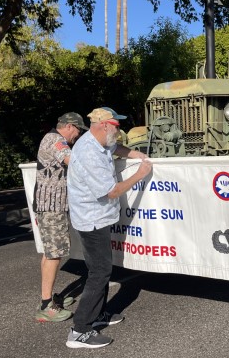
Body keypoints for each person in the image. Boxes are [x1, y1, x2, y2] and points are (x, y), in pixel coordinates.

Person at [65, 107, 153, 349]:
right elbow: (111, 191)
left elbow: (116, 148)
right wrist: (141, 173)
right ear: (104, 125)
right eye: (116, 126)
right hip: (92, 220)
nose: (119, 130)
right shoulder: (89, 153)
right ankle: (79, 330)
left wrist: (135, 154)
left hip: (98, 217)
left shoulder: (99, 142)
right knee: (100, 272)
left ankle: (98, 315)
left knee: (99, 269)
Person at [34, 112, 88, 322]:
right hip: (51, 207)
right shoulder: (55, 140)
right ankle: (46, 305)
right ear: (70, 126)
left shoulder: (52, 138)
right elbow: (71, 160)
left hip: (52, 205)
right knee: (54, 253)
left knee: (51, 252)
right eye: (78, 130)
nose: (77, 135)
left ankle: (48, 299)